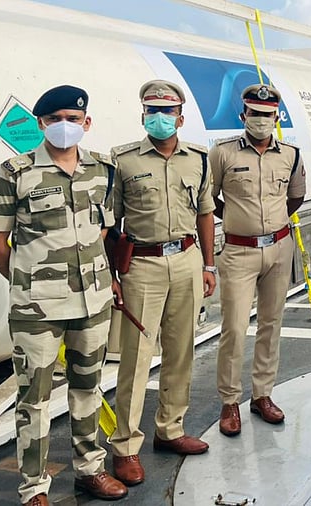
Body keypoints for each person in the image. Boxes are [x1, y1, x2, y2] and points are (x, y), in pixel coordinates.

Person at [0, 85, 128, 505]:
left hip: (93, 302)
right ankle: (34, 488)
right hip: (37, 309)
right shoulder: (11, 174)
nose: (64, 126)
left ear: (87, 122)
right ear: (40, 123)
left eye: (73, 118)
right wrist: (29, 282)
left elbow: (103, 229)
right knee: (34, 399)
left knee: (88, 388)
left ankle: (90, 471)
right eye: (54, 119)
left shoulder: (103, 170)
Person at [107, 80, 216, 486]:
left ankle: (170, 429)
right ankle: (125, 446)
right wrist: (113, 275)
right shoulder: (123, 161)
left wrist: (209, 265)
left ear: (180, 118)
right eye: (152, 111)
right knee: (135, 358)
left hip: (186, 260)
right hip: (141, 265)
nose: (159, 118)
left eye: (167, 112)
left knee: (181, 350)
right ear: (143, 115)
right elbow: (109, 223)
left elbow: (205, 213)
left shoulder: (198, 159)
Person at [211, 84, 306, 436]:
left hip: (279, 248)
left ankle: (262, 394)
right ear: (243, 115)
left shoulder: (291, 155)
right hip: (239, 250)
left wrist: (273, 224)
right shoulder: (222, 153)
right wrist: (237, 218)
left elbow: (295, 197)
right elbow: (209, 199)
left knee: (271, 323)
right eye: (255, 114)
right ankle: (229, 401)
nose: (261, 120)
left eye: (268, 115)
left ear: (277, 117)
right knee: (234, 328)